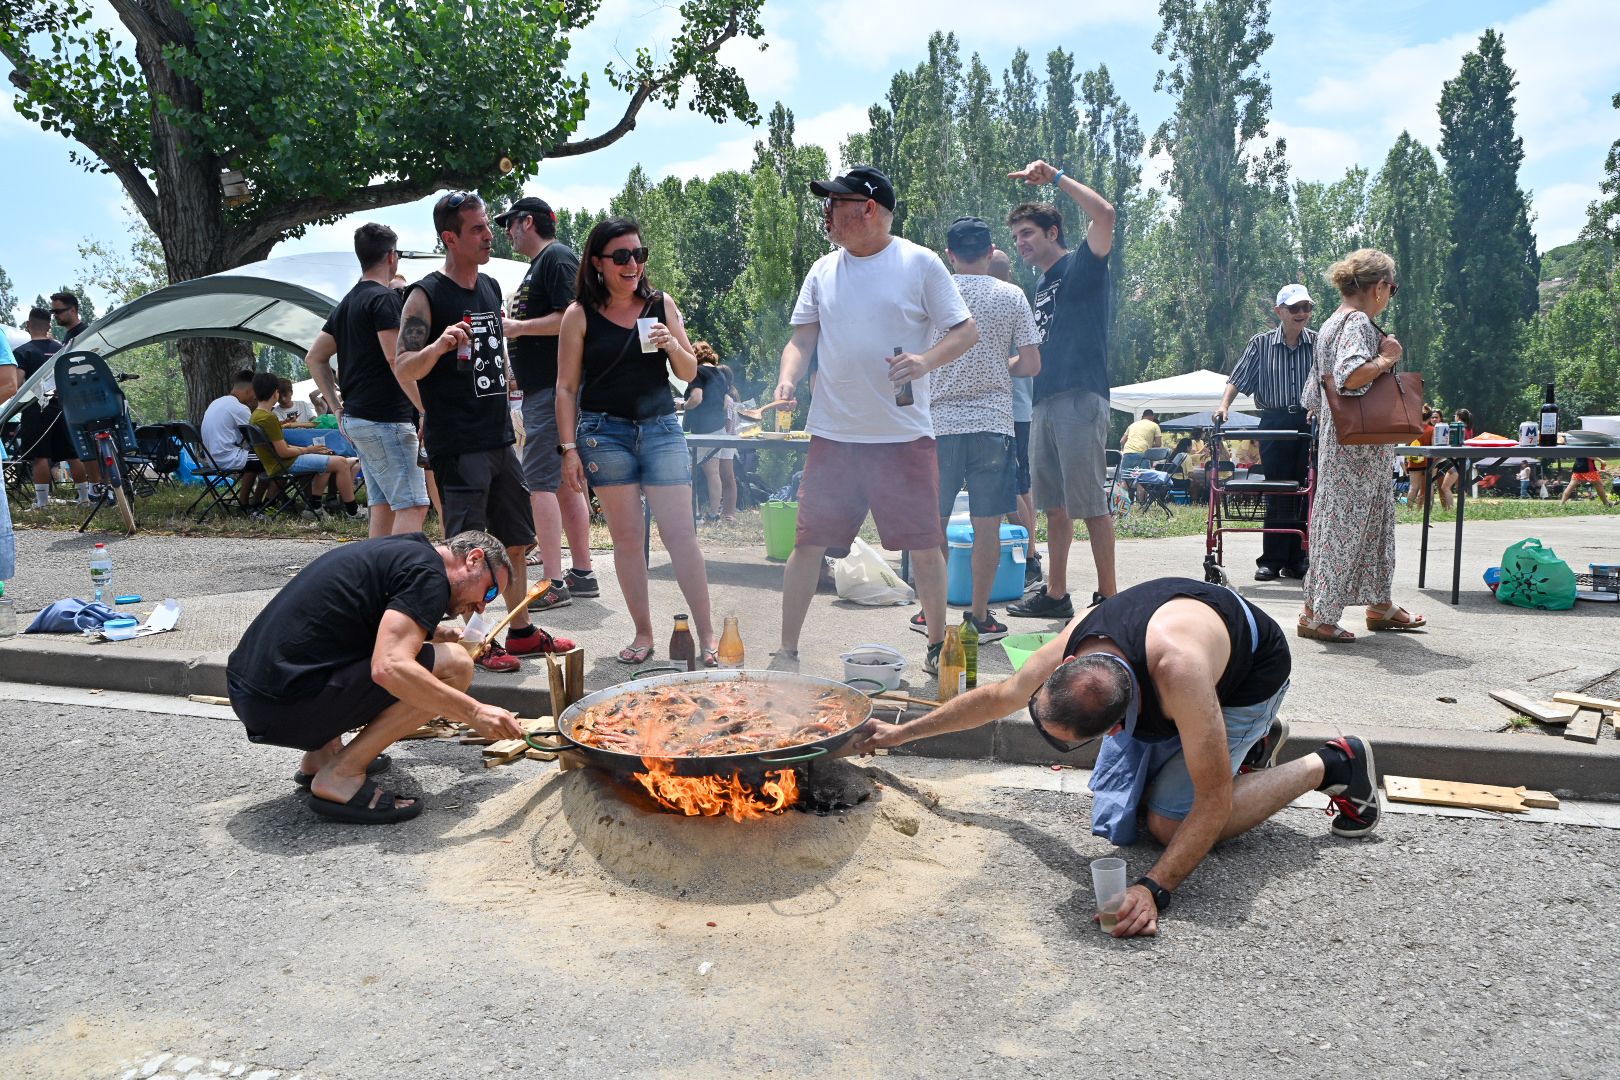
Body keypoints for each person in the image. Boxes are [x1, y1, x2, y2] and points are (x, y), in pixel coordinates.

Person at [854, 578, 1381, 937]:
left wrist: (1156, 889)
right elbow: (999, 696)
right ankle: (1233, 747)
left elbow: (1214, 802)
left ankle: (1332, 764)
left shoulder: (1180, 673)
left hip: (1246, 678)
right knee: (1118, 816)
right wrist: (897, 735)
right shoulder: (1076, 644)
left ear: (1115, 728)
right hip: (1184, 673)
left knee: (1167, 825)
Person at [771, 166, 978, 676]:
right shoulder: (822, 270)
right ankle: (787, 651)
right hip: (835, 435)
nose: (827, 216)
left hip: (901, 436)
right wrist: (788, 380)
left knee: (926, 545)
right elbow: (802, 339)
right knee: (807, 545)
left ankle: (935, 645)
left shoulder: (919, 263)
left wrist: (925, 361)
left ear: (868, 209)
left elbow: (966, 331)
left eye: (835, 206)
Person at [226, 530, 526, 824]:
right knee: (457, 664)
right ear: (473, 559)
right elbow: (389, 667)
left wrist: (431, 631)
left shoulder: (411, 552)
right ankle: (342, 775)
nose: (481, 607)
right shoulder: (431, 577)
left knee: (352, 644)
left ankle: (323, 757)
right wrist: (474, 712)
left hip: (256, 695)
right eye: (488, 592)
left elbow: (358, 616)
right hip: (286, 704)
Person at [397, 191, 571, 672]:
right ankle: (473, 643)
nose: (489, 234)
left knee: (515, 542)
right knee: (467, 554)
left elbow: (490, 361)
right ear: (449, 238)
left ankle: (518, 632)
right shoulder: (426, 293)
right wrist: (437, 346)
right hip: (459, 443)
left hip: (498, 439)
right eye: (477, 229)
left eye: (487, 227)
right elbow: (404, 364)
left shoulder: (491, 286)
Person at [556, 215, 718, 665]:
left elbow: (688, 373)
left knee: (680, 535)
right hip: (604, 433)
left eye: (639, 255)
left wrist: (671, 345)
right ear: (598, 262)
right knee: (628, 538)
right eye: (622, 256)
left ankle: (707, 636)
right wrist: (568, 449)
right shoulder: (578, 314)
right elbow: (566, 387)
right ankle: (643, 634)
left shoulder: (660, 304)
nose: (633, 265)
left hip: (662, 428)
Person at [913, 216, 1040, 644]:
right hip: (993, 425)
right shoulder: (1012, 295)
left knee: (933, 523)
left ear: (949, 254)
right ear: (990, 252)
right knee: (988, 525)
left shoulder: (933, 292)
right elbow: (1032, 364)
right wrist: (999, 368)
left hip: (938, 423)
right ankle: (981, 616)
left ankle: (929, 612)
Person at [1003, 158, 1118, 622]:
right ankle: (1056, 592)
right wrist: (990, 367)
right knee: (1054, 506)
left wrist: (1055, 178)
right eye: (1015, 238)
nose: (1021, 244)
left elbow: (1106, 215)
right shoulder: (1042, 287)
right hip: (1044, 400)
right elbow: (1035, 355)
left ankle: (1109, 597)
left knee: (1090, 504)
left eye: (1027, 233)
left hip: (1080, 397)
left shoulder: (1081, 266)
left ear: (1053, 231)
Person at [1297, 249, 1425, 642]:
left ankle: (1377, 602)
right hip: (1358, 449)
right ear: (1381, 286)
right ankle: (1320, 614)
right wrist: (1387, 359)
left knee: (1370, 525)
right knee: (1346, 527)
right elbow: (1350, 374)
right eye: (1392, 287)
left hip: (1347, 443)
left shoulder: (1333, 322)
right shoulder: (1356, 323)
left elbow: (1311, 398)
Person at [496, 196, 598, 610]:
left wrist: (516, 326)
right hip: (548, 389)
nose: (505, 231)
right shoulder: (545, 262)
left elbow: (572, 317)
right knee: (562, 482)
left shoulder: (555, 257)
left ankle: (553, 582)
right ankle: (582, 574)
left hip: (553, 391)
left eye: (509, 223)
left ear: (528, 222)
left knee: (538, 482)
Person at [305, 222, 431, 539]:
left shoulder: (348, 303)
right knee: (413, 505)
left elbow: (314, 357)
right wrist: (426, 408)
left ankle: (376, 582)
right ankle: (401, 580)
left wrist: (335, 407)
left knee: (384, 505)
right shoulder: (384, 300)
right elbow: (396, 360)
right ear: (391, 256)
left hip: (358, 419)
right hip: (386, 419)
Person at [1214, 284, 1319, 581]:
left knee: (1304, 489)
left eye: (1306, 308)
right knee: (1276, 489)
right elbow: (1238, 378)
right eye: (1295, 308)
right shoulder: (1261, 344)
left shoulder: (1318, 342)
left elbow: (1327, 382)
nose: (1302, 314)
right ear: (1279, 312)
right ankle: (1272, 560)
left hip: (1308, 421)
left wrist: (1320, 407)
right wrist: (1224, 406)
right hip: (1273, 421)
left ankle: (1299, 557)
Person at [990, 248, 1042, 586]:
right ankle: (1027, 554)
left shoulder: (1004, 305)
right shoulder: (1016, 303)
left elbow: (1025, 361)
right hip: (1017, 411)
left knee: (1011, 485)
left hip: (1010, 412)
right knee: (1019, 484)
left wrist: (991, 363)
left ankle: (1031, 558)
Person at [246, 372, 364, 520]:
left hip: (275, 463)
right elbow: (283, 452)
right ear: (275, 392)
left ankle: (314, 507)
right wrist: (309, 449)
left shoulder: (256, 415)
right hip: (285, 463)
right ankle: (353, 512)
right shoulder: (268, 418)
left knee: (329, 457)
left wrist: (281, 426)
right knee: (340, 462)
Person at [12, 306, 90, 508]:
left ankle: (42, 503)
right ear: (49, 325)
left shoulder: (22, 352)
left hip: (35, 408)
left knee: (40, 455)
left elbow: (18, 384)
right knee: (72, 453)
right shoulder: (61, 348)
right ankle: (84, 497)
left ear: (28, 325)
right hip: (63, 407)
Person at [682, 341, 739, 524]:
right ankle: (714, 515)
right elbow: (724, 403)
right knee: (713, 474)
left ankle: (693, 514)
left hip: (701, 431)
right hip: (718, 429)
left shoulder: (696, 371)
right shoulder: (720, 374)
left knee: (687, 473)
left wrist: (682, 405)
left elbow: (696, 399)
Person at [1437, 408, 1474, 508]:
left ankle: (1450, 511)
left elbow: (1451, 443)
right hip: (1466, 461)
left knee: (1445, 487)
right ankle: (1461, 510)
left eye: (1455, 416)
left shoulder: (1459, 427)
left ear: (1458, 417)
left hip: (1456, 461)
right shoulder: (1469, 429)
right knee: (1460, 487)